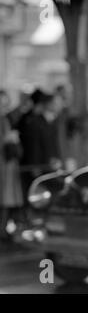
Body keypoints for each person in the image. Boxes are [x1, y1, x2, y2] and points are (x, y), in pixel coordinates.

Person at [0, 90, 23, 242]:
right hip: (3, 165)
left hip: (7, 165)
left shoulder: (6, 120)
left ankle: (3, 229)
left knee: (6, 200)